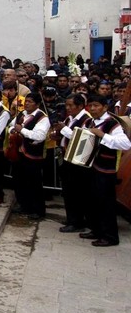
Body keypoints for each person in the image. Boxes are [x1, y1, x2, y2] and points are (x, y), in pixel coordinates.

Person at [80, 95, 131, 247]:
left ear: (105, 107)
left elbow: (125, 144)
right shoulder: (90, 121)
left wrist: (103, 136)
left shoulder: (112, 124)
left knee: (105, 204)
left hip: (106, 170)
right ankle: (96, 230)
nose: (93, 109)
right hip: (92, 166)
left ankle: (109, 236)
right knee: (93, 201)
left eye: (96, 105)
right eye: (91, 106)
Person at [52, 93, 92, 233]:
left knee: (76, 192)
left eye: (71, 105)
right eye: (66, 105)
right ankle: (72, 218)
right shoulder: (70, 118)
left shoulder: (87, 120)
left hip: (78, 161)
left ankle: (77, 221)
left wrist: (64, 129)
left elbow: (82, 138)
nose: (68, 108)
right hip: (66, 157)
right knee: (68, 191)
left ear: (80, 106)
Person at [9, 92, 50, 220]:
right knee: (19, 180)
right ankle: (24, 205)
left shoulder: (42, 118)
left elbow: (39, 136)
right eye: (26, 101)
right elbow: (11, 125)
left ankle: (38, 210)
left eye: (30, 101)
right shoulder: (22, 114)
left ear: (37, 104)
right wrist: (13, 130)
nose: (27, 103)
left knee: (34, 183)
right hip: (19, 152)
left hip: (33, 155)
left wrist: (22, 130)